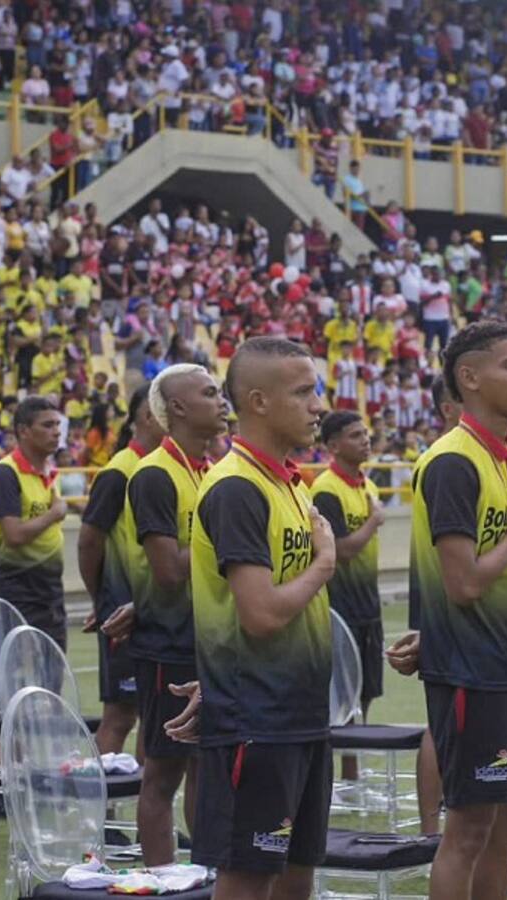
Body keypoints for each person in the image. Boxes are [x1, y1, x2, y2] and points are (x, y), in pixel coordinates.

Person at [169, 336, 334, 900]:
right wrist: (324, 566)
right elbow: (262, 614)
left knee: (295, 875)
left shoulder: (286, 482)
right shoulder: (238, 488)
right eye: (305, 392)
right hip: (259, 721)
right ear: (259, 402)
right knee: (247, 878)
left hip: (299, 716)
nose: (318, 406)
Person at [411, 319, 507, 900]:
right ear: (469, 378)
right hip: (472, 670)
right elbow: (463, 583)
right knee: (468, 829)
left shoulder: (506, 459)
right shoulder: (452, 462)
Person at [126, 363, 228, 866]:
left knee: (206, 765)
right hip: (169, 644)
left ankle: (204, 871)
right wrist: (229, 543)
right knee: (163, 774)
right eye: (210, 393)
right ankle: (160, 879)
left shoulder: (208, 471)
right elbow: (168, 570)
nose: (222, 400)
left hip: (209, 641)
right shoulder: (153, 476)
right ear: (180, 408)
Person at [387, 376, 461, 837]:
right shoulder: (447, 461)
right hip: (447, 613)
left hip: (460, 617)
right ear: (451, 405)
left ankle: (442, 825)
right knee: (440, 724)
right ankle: (431, 828)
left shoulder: (491, 458)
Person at [77, 384, 164, 756]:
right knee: (121, 715)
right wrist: (101, 597)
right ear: (147, 417)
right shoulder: (120, 472)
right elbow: (88, 541)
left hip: (155, 612)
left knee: (151, 714)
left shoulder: (163, 469)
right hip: (123, 613)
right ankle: (101, 804)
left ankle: (144, 805)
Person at [311, 410, 385, 784]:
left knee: (366, 688)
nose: (365, 440)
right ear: (334, 445)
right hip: (340, 606)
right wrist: (373, 523)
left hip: (368, 604)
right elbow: (340, 550)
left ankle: (355, 774)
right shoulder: (326, 489)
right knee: (342, 692)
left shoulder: (366, 487)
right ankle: (344, 776)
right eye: (356, 435)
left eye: (365, 433)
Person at [0, 396, 67, 647]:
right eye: (47, 425)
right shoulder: (5, 474)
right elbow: (14, 535)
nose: (56, 432)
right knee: (17, 682)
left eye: (57, 425)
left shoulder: (51, 473)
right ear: (23, 431)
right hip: (18, 598)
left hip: (50, 595)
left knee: (52, 680)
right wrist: (53, 514)